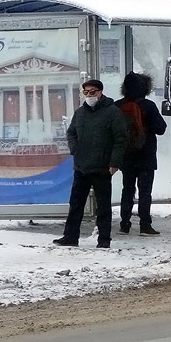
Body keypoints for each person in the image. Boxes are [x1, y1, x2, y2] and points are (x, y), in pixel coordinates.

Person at [52, 79, 128, 249]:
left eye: (92, 92)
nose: (89, 95)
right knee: (76, 204)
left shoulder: (112, 112)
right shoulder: (80, 113)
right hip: (81, 166)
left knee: (103, 206)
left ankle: (104, 240)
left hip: (102, 167)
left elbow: (120, 139)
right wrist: (75, 150)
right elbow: (71, 133)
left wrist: (114, 162)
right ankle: (70, 236)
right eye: (86, 92)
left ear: (101, 92)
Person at [117, 71, 168, 236]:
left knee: (127, 189)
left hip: (126, 156)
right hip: (146, 156)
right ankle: (145, 225)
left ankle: (124, 223)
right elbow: (161, 129)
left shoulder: (118, 106)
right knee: (145, 191)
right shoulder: (149, 106)